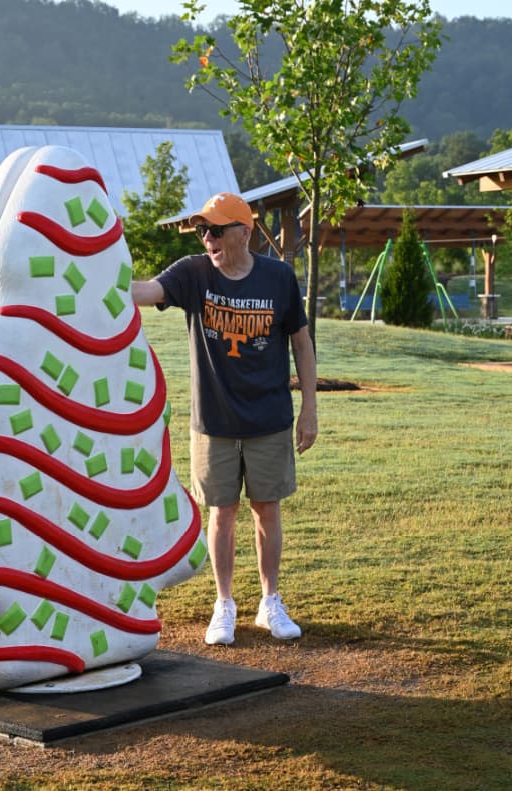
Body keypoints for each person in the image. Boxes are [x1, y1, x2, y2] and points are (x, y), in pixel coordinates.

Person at [131, 192, 318, 645]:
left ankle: (270, 602)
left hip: (269, 419)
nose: (208, 238)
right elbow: (146, 292)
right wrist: (95, 272)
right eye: (203, 231)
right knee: (221, 514)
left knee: (267, 512)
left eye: (216, 230)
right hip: (213, 422)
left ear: (244, 232)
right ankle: (225, 604)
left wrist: (309, 408)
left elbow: (301, 342)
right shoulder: (193, 273)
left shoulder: (278, 278)